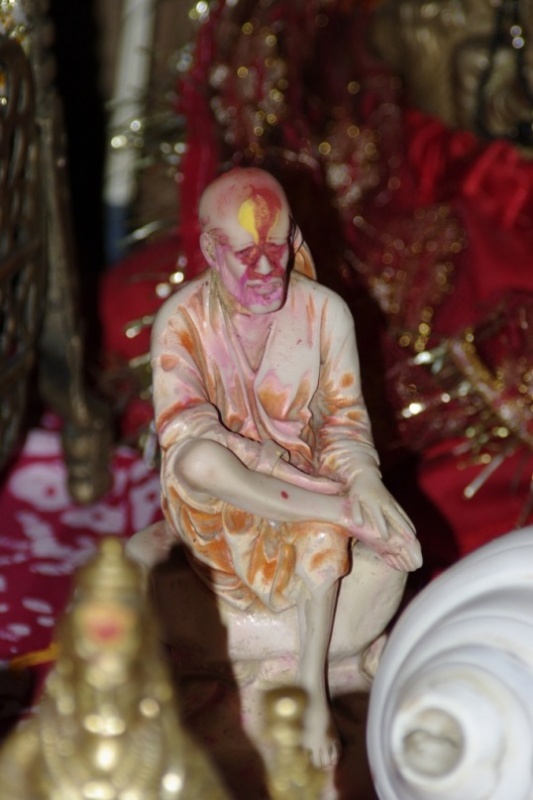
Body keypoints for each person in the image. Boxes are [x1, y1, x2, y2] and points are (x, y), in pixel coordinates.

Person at [127, 167, 421, 768]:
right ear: (212, 250)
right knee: (197, 461)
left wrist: (366, 482)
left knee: (369, 555)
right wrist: (259, 457)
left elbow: (344, 425)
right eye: (246, 253)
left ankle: (311, 684)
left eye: (277, 247)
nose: (266, 268)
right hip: (220, 507)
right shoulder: (181, 320)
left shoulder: (325, 313)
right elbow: (183, 430)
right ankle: (339, 524)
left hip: (306, 489)